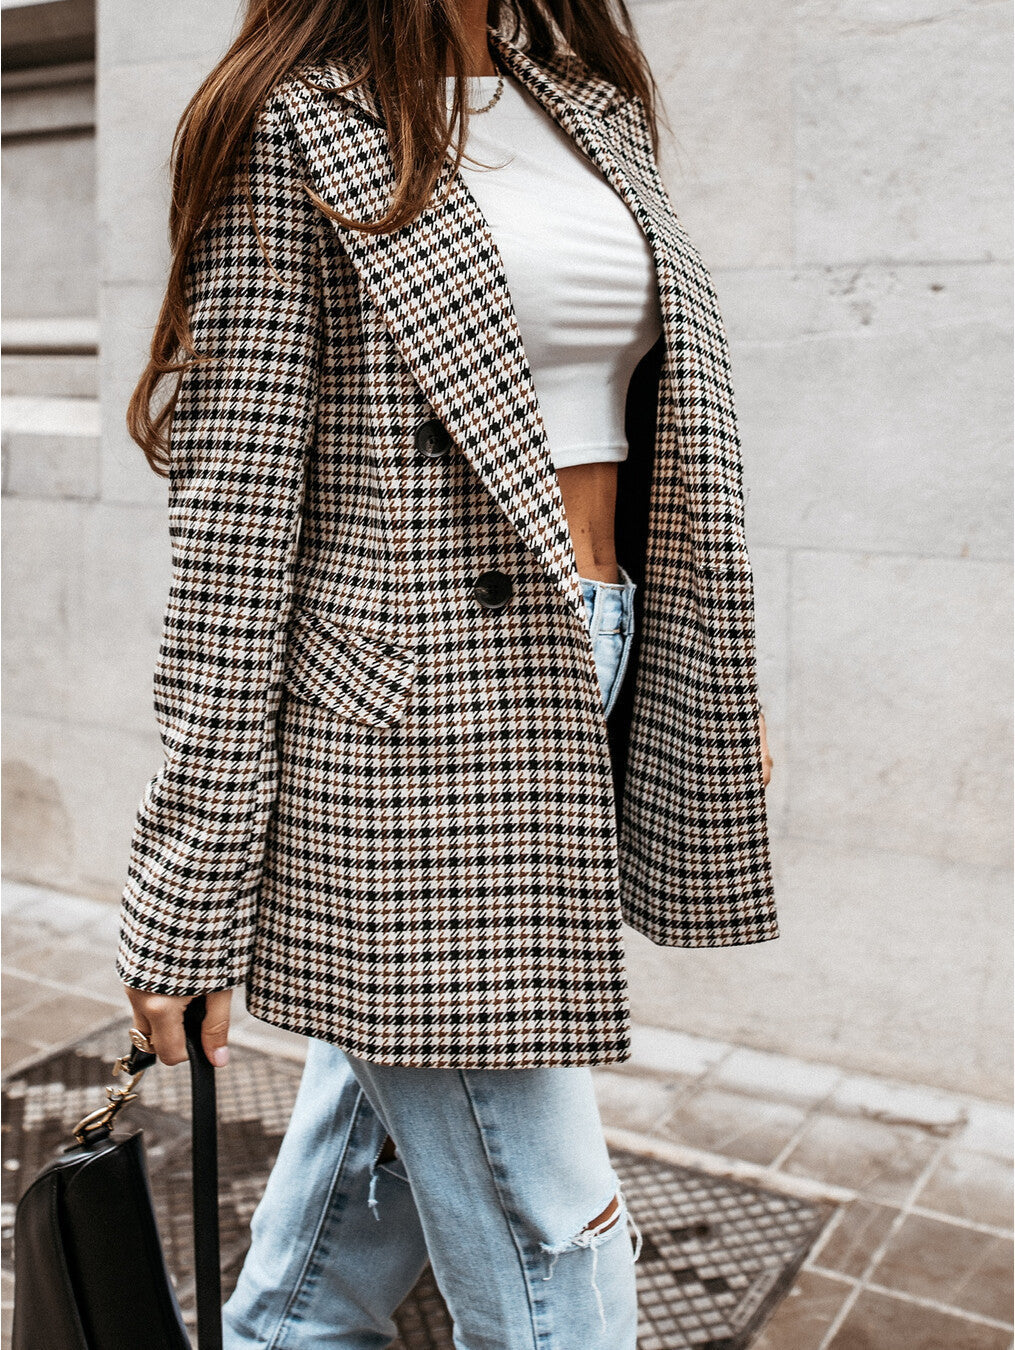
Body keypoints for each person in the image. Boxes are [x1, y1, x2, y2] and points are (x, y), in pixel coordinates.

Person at [117, 0, 777, 1345]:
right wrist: (184, 896)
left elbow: (662, 432)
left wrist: (706, 679)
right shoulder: (290, 127)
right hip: (414, 738)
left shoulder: (581, 99)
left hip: (598, 653)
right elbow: (235, 542)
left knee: (351, 1210)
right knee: (557, 1237)